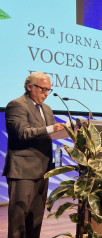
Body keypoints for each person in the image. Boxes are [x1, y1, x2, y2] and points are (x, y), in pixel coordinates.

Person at [3, 72, 65, 238]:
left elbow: (51, 134)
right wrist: (52, 128)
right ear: (30, 87)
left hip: (43, 169)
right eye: (43, 89)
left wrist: (69, 131)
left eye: (48, 90)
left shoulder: (47, 109)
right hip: (23, 170)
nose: (46, 94)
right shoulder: (16, 105)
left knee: (35, 219)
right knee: (19, 220)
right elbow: (22, 133)